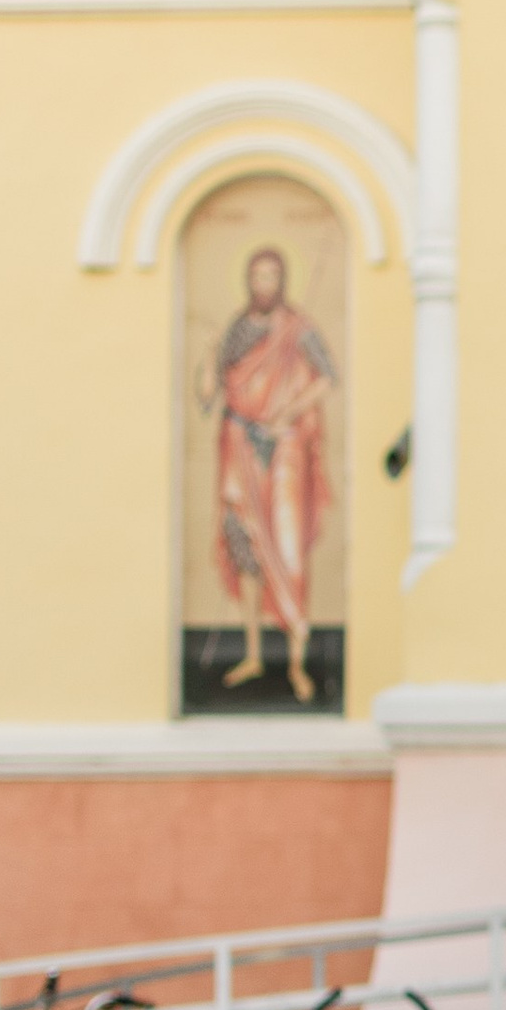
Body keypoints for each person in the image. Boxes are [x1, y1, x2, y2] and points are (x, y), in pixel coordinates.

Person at [199, 246, 335, 700]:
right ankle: (254, 654)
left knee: (289, 551)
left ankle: (297, 663)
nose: (264, 284)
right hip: (239, 449)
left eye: (272, 276)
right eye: (257, 276)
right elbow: (210, 394)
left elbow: (326, 377)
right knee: (246, 548)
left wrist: (288, 412)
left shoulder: (298, 329)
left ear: (283, 281)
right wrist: (208, 355)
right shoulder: (236, 330)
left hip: (283, 456)